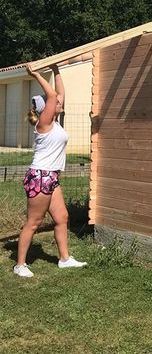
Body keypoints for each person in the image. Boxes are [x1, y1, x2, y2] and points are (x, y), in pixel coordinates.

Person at [13, 63, 87, 278]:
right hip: (40, 177)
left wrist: (56, 70)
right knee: (34, 222)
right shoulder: (44, 123)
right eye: (55, 102)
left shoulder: (54, 121)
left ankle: (64, 259)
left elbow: (59, 94)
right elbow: (54, 95)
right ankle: (20, 265)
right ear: (47, 107)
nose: (60, 101)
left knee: (62, 217)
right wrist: (36, 74)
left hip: (51, 177)